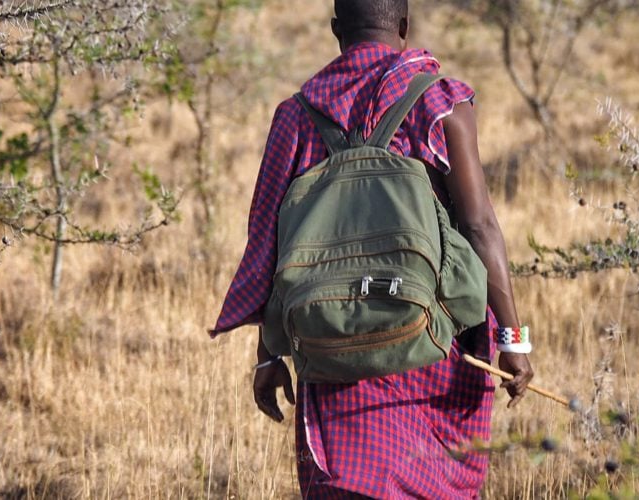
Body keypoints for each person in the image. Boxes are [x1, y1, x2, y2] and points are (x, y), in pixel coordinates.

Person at [208, 0, 535, 496]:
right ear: (404, 26)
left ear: (336, 29)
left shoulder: (295, 117)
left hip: (333, 342)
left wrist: (269, 354)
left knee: (349, 480)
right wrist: (512, 339)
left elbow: (271, 249)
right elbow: (480, 225)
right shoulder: (440, 101)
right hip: (432, 344)